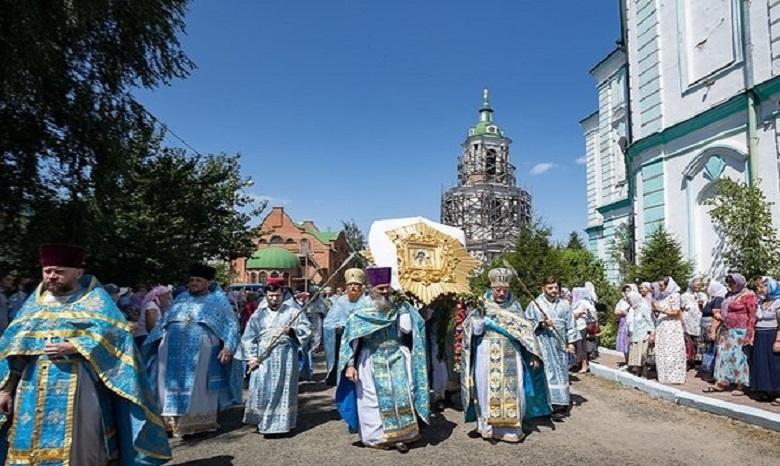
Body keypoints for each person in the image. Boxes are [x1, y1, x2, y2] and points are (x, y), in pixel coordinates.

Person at [0, 243, 171, 465]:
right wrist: (5, 389)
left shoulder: (96, 301)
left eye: (59, 271)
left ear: (78, 273)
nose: (52, 276)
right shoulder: (33, 305)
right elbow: (13, 350)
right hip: (31, 387)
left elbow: (117, 336)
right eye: (47, 271)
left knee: (79, 445)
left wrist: (76, 345)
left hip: (78, 383)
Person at [143, 264, 243, 437]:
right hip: (170, 347)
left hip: (201, 349)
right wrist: (153, 341)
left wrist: (228, 347)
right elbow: (164, 321)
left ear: (208, 282)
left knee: (198, 384)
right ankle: (170, 423)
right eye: (191, 280)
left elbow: (231, 326)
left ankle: (196, 423)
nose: (194, 283)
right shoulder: (180, 297)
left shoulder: (218, 299)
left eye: (198, 280)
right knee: (166, 383)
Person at [336, 267, 429, 453]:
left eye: (388, 288)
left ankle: (404, 435)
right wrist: (350, 365)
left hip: (397, 355)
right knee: (372, 399)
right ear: (371, 288)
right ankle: (377, 437)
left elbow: (407, 330)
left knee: (403, 394)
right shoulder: (361, 311)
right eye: (381, 289)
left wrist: (404, 311)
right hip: (371, 358)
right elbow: (352, 340)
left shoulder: (399, 305)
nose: (385, 292)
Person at [461, 268, 550, 443]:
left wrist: (534, 355)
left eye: (505, 290)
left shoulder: (515, 308)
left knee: (514, 388)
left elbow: (526, 333)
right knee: (485, 388)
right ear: (491, 288)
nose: (501, 293)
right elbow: (470, 330)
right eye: (498, 290)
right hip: (485, 351)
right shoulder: (481, 305)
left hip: (511, 351)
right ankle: (487, 428)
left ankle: (511, 430)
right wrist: (478, 323)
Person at [239, 277, 312, 436]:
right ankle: (262, 421)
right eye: (270, 296)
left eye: (277, 295)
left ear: (282, 295)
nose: (274, 299)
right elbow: (247, 337)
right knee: (262, 389)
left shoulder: (293, 312)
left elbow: (307, 330)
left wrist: (293, 332)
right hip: (263, 358)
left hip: (285, 357)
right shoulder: (258, 315)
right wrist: (251, 357)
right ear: (265, 295)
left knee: (282, 389)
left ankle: (280, 424)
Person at [525, 276, 578, 422]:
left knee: (561, 374)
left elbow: (571, 324)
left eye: (556, 287)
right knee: (545, 374)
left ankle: (559, 407)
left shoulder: (565, 304)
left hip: (560, 345)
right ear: (543, 288)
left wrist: (571, 342)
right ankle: (543, 407)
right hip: (543, 344)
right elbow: (526, 325)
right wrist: (541, 324)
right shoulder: (535, 304)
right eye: (550, 288)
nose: (554, 290)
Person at [706, 273, 757, 396]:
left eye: (732, 284)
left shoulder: (749, 296)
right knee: (723, 356)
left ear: (738, 283)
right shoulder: (729, 295)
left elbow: (752, 316)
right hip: (727, 330)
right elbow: (723, 311)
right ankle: (722, 381)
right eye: (728, 283)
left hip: (740, 331)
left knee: (739, 357)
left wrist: (750, 334)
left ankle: (741, 384)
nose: (729, 286)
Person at [323, 268, 368, 386]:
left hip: (362, 340)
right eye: (350, 285)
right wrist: (336, 328)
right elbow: (328, 322)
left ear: (361, 287)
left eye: (356, 285)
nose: (353, 287)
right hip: (343, 340)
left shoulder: (367, 301)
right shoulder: (340, 301)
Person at [652, 276, 687, 384]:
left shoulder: (675, 295)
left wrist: (660, 309)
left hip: (671, 326)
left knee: (672, 351)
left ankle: (674, 377)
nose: (661, 288)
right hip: (662, 326)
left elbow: (676, 312)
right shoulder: (663, 296)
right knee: (663, 350)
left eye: (662, 286)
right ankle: (664, 376)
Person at [752, 276, 780, 405]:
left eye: (762, 287)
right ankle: (766, 391)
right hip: (760, 335)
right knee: (762, 363)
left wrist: (778, 341)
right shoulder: (761, 302)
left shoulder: (778, 302)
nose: (759, 289)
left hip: (772, 334)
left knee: (775, 364)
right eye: (759, 287)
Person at [626, 290, 654, 377]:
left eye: (629, 299)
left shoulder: (644, 307)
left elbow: (651, 322)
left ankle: (644, 373)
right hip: (635, 336)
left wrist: (652, 334)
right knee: (637, 356)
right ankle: (638, 372)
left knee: (644, 356)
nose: (628, 301)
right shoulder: (633, 309)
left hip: (644, 336)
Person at [571, 286, 598, 373]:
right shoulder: (576, 302)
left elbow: (591, 312)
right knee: (577, 347)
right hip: (576, 327)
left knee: (581, 347)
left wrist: (580, 314)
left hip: (581, 326)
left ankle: (584, 365)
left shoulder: (583, 302)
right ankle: (577, 364)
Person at [680, 278, 705, 368]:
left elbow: (705, 308)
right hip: (688, 322)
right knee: (688, 342)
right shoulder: (684, 296)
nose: (698, 286)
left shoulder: (702, 295)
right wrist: (682, 322)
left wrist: (701, 305)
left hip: (699, 321)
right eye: (697, 284)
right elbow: (681, 309)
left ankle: (698, 361)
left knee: (698, 342)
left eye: (700, 284)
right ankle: (688, 361)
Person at [614, 284, 637, 366]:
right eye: (625, 291)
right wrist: (622, 312)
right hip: (623, 322)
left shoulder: (636, 300)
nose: (627, 293)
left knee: (631, 342)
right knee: (624, 342)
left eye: (629, 290)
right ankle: (627, 361)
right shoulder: (622, 301)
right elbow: (616, 312)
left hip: (633, 323)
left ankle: (633, 362)